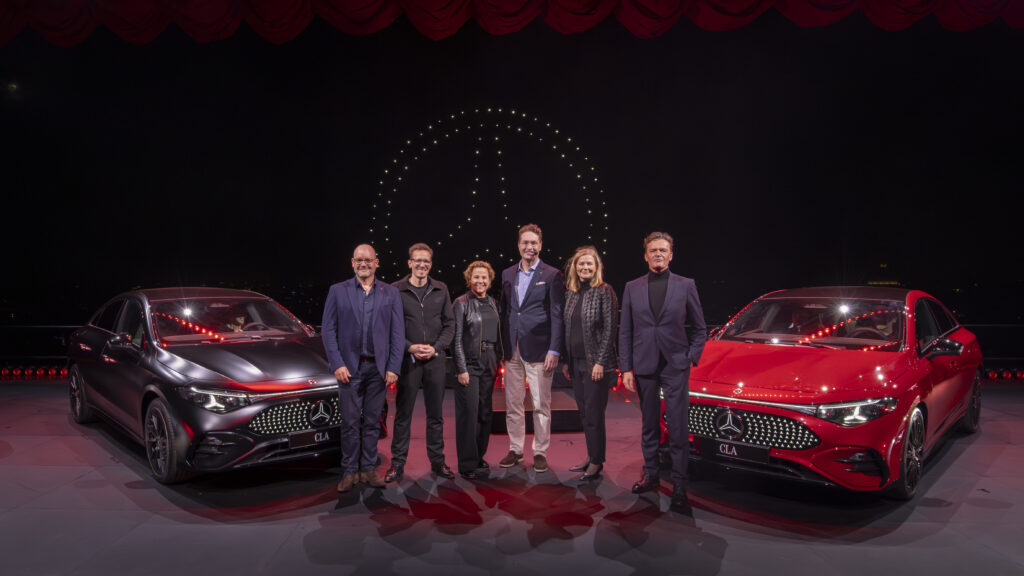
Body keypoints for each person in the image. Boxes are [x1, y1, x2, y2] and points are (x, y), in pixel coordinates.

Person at [619, 232, 707, 511]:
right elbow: (625, 331)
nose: (658, 253)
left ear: (671, 255)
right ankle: (651, 475)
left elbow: (700, 329)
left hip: (675, 365)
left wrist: (690, 357)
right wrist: (626, 367)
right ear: (645, 255)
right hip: (644, 364)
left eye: (663, 250)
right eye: (653, 250)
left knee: (678, 427)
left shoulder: (686, 285)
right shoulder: (632, 287)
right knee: (649, 424)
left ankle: (679, 485)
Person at [322, 244, 404, 492]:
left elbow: (397, 334)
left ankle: (368, 469)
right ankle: (349, 471)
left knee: (371, 423)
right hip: (349, 370)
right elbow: (328, 330)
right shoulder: (337, 291)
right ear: (352, 262)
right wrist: (337, 363)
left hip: (378, 370)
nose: (363, 264)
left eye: (368, 260)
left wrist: (393, 367)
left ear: (376, 262)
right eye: (359, 260)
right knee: (349, 424)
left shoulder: (391, 293)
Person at [386, 243, 456, 482]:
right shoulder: (395, 290)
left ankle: (438, 462)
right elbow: (391, 327)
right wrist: (410, 347)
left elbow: (450, 324)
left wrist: (436, 348)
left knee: (435, 415)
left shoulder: (441, 288)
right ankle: (397, 464)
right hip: (408, 361)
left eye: (426, 261)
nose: (422, 264)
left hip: (435, 360)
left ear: (431, 264)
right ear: (410, 263)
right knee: (403, 414)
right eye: (418, 260)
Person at [498, 223, 564, 473]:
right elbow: (505, 311)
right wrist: (502, 347)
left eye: (534, 243)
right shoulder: (507, 274)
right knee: (513, 404)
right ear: (518, 245)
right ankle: (515, 449)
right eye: (525, 242)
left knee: (540, 404)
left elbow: (557, 314)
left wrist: (554, 349)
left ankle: (539, 452)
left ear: (540, 246)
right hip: (512, 348)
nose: (529, 247)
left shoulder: (552, 275)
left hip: (539, 349)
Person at [560, 246, 618, 482]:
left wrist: (600, 362)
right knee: (584, 414)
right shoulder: (571, 294)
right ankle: (591, 455)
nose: (585, 267)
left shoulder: (605, 291)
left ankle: (596, 461)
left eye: (589, 264)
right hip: (575, 363)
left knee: (594, 414)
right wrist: (566, 361)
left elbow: (610, 330)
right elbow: (567, 329)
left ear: (596, 267)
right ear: (575, 268)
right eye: (581, 264)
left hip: (595, 364)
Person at [452, 261, 501, 479]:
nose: (480, 281)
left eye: (484, 277)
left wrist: (498, 360)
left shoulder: (493, 303)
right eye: (476, 277)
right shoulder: (461, 303)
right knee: (468, 415)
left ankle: (479, 455)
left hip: (490, 362)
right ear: (469, 279)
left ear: (489, 281)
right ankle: (467, 463)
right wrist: (461, 368)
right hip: (470, 363)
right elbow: (456, 340)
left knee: (484, 413)